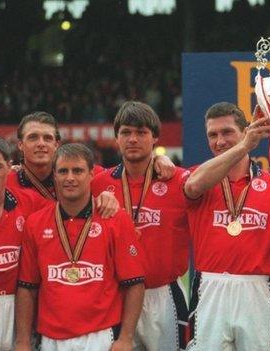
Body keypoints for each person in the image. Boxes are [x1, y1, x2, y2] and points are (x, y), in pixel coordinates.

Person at [183, 102, 270, 350]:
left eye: (227, 132)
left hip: (257, 289)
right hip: (210, 288)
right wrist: (245, 146)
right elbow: (192, 187)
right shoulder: (199, 176)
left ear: (244, 130)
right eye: (212, 135)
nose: (219, 141)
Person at [14, 143, 145, 351]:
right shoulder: (35, 223)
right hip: (51, 339)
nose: (70, 178)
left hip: (101, 336)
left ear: (92, 174)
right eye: (63, 171)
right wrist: (22, 342)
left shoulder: (115, 219)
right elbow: (27, 288)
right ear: (54, 175)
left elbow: (135, 283)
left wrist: (126, 338)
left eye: (78, 170)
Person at [92, 101, 191, 351]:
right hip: (116, 295)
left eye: (141, 132)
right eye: (126, 132)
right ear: (116, 138)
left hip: (164, 294)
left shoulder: (178, 179)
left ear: (155, 137)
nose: (133, 139)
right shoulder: (98, 183)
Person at [9, 111, 176, 201]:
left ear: (56, 144)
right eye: (33, 137)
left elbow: (128, 172)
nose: (41, 143)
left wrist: (157, 159)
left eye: (47, 138)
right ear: (20, 145)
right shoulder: (6, 182)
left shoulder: (86, 173)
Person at [0, 135, 49, 351]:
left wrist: (102, 201)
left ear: (10, 168)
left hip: (22, 309)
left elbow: (70, 210)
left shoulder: (30, 201)